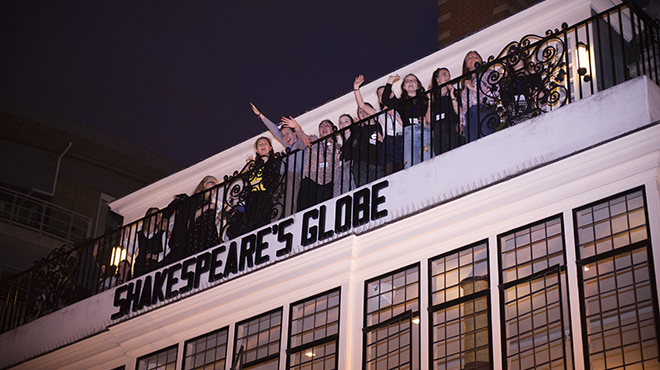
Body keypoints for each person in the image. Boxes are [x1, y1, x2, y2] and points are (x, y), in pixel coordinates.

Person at [250, 103, 309, 216]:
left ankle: (289, 221)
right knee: (278, 203)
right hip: (281, 178)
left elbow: (303, 141)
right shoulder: (287, 147)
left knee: (290, 202)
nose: (286, 137)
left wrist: (297, 127)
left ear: (293, 133)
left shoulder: (299, 144)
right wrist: (260, 115)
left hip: (293, 175)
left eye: (287, 133)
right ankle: (276, 225)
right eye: (284, 135)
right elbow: (275, 131)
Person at [282, 117, 341, 212]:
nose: (324, 127)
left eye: (327, 125)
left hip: (329, 182)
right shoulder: (314, 140)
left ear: (333, 129)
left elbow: (337, 159)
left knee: (325, 211)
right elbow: (304, 139)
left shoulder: (338, 146)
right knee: (306, 210)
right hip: (311, 180)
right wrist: (297, 127)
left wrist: (330, 144)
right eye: (321, 126)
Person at [381, 73, 430, 168]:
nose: (411, 82)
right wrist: (390, 81)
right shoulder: (400, 103)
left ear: (418, 86)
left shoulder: (425, 100)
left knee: (428, 158)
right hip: (409, 132)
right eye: (407, 81)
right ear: (404, 86)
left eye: (413, 81)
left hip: (425, 130)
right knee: (410, 161)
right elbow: (385, 99)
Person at [459, 51, 499, 142]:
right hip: (469, 115)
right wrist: (462, 123)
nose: (472, 59)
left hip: (483, 110)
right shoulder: (465, 86)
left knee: (485, 141)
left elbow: (492, 92)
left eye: (475, 57)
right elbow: (465, 107)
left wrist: (473, 88)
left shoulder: (488, 74)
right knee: (472, 146)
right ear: (466, 65)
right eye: (469, 58)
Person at [429, 68, 462, 155]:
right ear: (437, 79)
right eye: (444, 74)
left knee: (455, 154)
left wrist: (452, 96)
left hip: (452, 127)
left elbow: (460, 112)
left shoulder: (456, 93)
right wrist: (429, 101)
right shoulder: (433, 98)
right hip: (438, 131)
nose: (448, 77)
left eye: (449, 75)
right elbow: (429, 119)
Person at [129, 207, 167, 277]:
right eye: (155, 215)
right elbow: (131, 251)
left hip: (154, 267)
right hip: (139, 268)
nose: (157, 217)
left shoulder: (161, 233)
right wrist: (125, 238)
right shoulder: (140, 234)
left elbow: (167, 250)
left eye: (159, 216)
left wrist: (156, 257)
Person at [188, 176, 221, 254]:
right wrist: (208, 207)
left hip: (209, 237)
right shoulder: (195, 198)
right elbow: (191, 216)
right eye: (212, 183)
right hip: (198, 236)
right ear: (205, 184)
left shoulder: (209, 202)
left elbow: (211, 225)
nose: (215, 186)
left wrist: (219, 217)